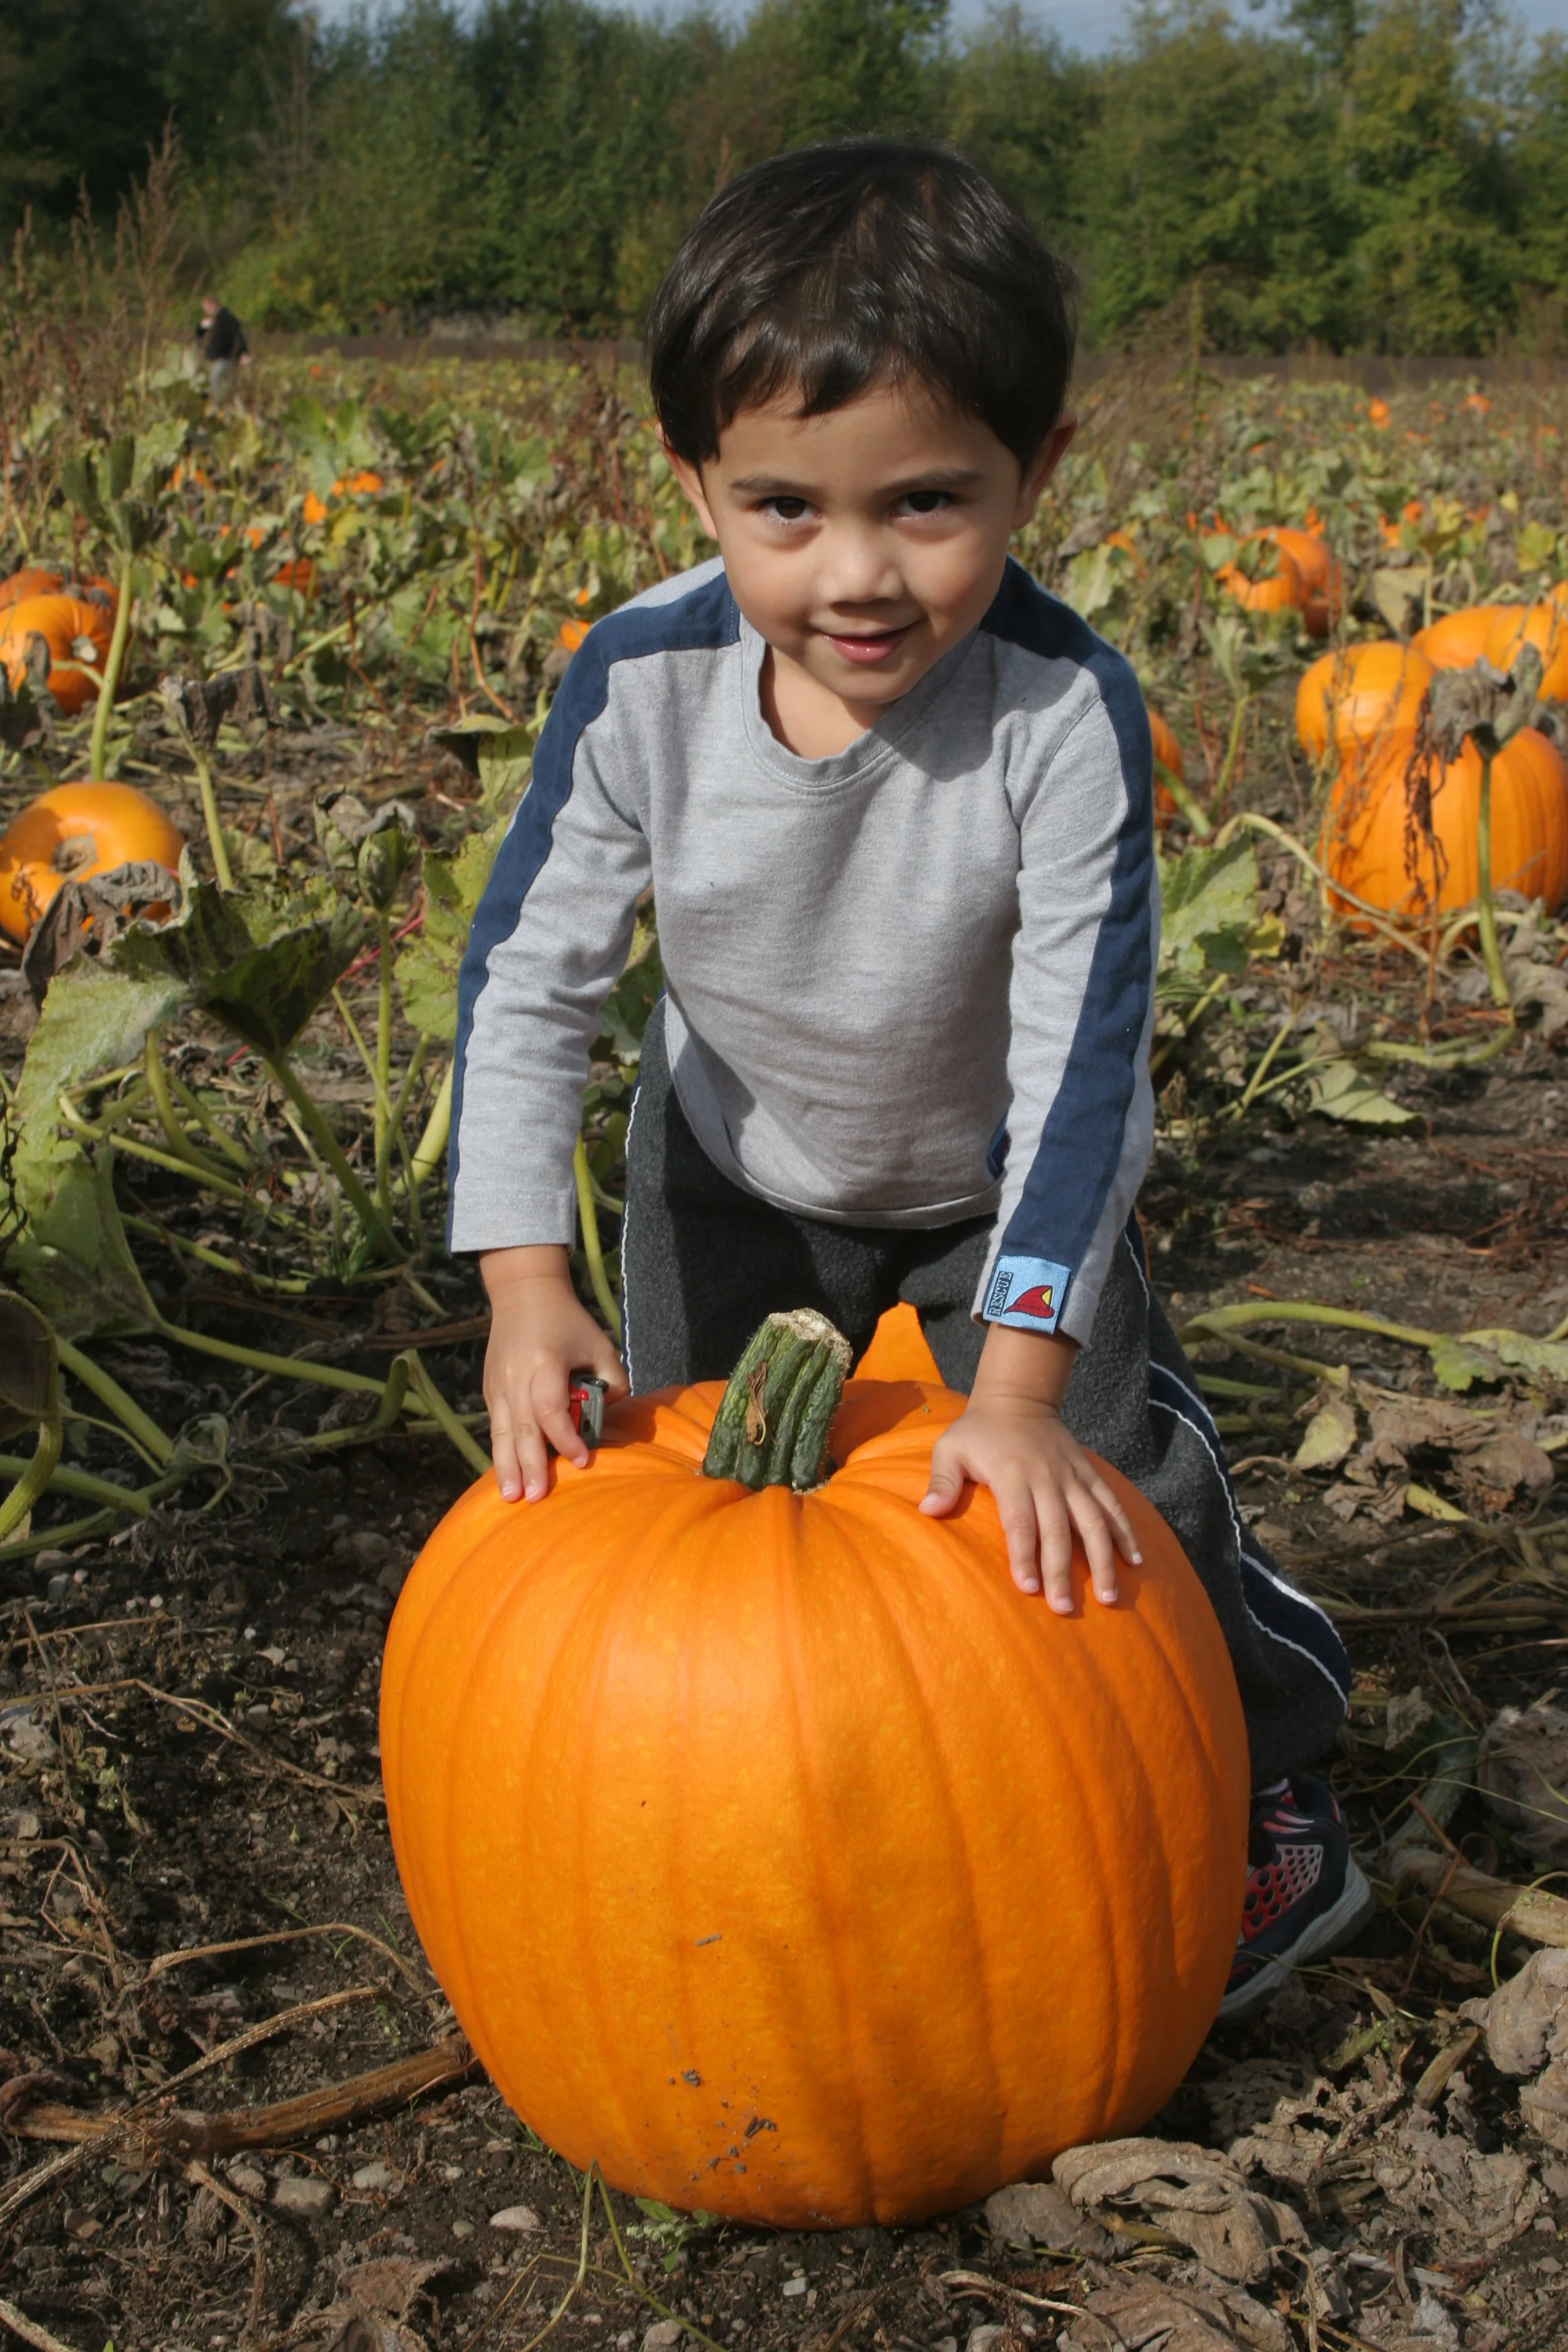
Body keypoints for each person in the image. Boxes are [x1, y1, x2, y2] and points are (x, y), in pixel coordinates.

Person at [449, 140, 1371, 2020]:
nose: (856, 573)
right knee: (709, 1525)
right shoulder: (636, 683)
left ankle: (1268, 1779)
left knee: (1109, 1500)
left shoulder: (1061, 714)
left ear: (1037, 469)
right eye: (784, 507)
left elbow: (1081, 1068)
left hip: (988, 1191)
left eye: (929, 503)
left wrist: (1017, 1388)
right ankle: (772, 1848)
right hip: (731, 1163)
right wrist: (524, 1284)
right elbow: (531, 979)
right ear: (694, 482)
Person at [197, 294, 249, 405]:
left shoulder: (226, 319)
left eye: (206, 308)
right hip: (214, 359)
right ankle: (225, 404)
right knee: (220, 383)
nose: (205, 311)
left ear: (213, 305)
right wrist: (201, 327)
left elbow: (238, 336)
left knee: (216, 379)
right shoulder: (212, 320)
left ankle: (219, 405)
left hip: (225, 358)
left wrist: (243, 353)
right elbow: (199, 335)